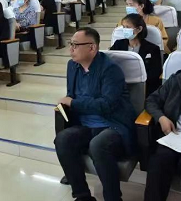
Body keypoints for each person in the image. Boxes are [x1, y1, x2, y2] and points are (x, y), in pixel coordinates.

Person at [54, 28, 136, 201]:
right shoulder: (72, 66)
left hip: (112, 124)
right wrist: (68, 103)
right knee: (62, 139)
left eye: (75, 45)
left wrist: (73, 103)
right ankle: (82, 196)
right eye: (70, 44)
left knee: (98, 145)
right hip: (85, 124)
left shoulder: (110, 70)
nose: (71, 49)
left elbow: (106, 105)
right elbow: (71, 95)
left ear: (92, 47)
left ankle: (113, 198)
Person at [143, 41, 181, 201]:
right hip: (176, 135)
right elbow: (151, 100)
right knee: (159, 159)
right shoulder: (180, 79)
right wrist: (161, 118)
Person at [110, 13, 162, 95]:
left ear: (139, 29)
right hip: (119, 84)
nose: (125, 30)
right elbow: (110, 62)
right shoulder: (118, 44)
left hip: (145, 86)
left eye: (128, 27)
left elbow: (155, 72)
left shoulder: (153, 49)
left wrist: (139, 81)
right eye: (123, 27)